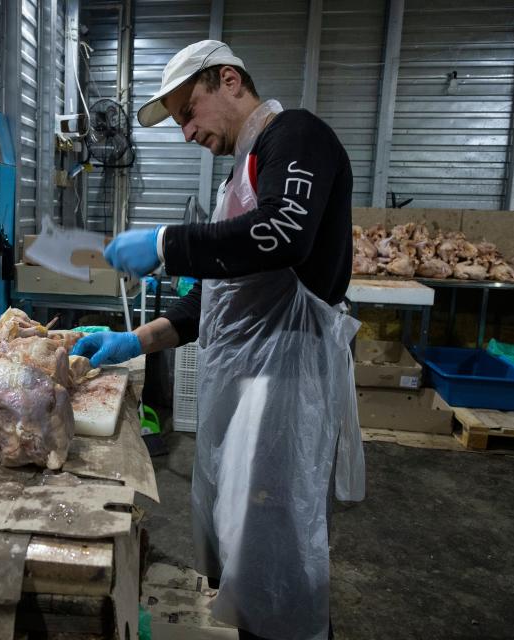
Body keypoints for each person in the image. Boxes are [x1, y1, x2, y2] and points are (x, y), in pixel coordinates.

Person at [71, 40, 366, 640]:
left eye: (187, 112)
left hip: (286, 384)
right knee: (244, 541)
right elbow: (220, 298)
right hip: (247, 384)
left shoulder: (297, 136)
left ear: (228, 79)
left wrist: (166, 244)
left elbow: (285, 234)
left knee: (276, 545)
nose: (185, 133)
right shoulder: (242, 173)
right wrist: (134, 341)